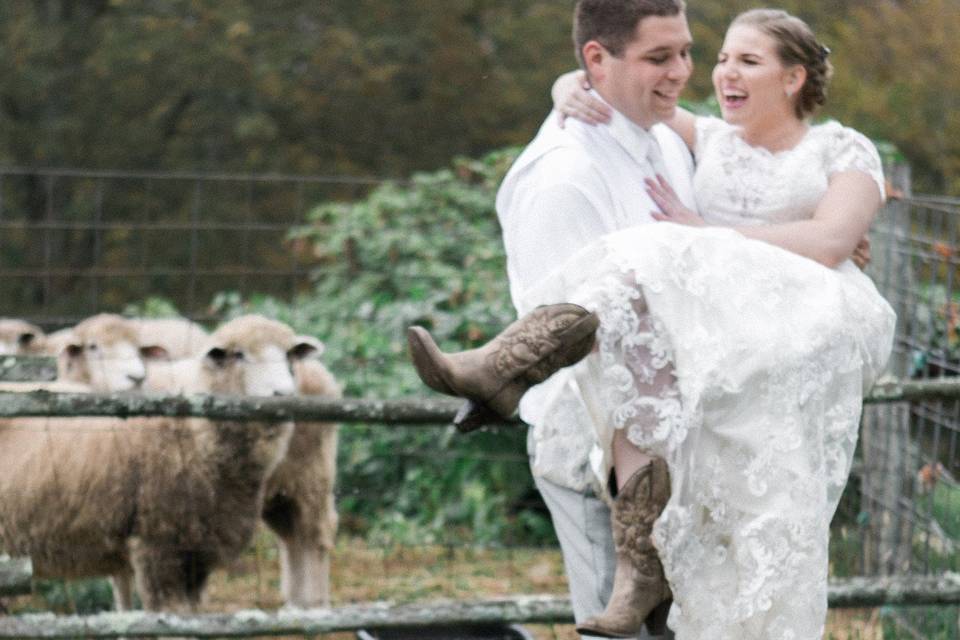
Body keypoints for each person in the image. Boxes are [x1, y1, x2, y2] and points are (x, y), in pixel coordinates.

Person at [408, 4, 896, 640]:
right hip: (706, 360)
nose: (714, 72)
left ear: (795, 77)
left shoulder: (839, 147)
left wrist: (706, 232)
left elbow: (831, 240)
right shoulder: (702, 138)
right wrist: (569, 86)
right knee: (643, 257)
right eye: (720, 58)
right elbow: (614, 88)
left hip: (807, 316)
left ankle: (504, 365)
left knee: (653, 248)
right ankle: (512, 366)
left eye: (744, 60)